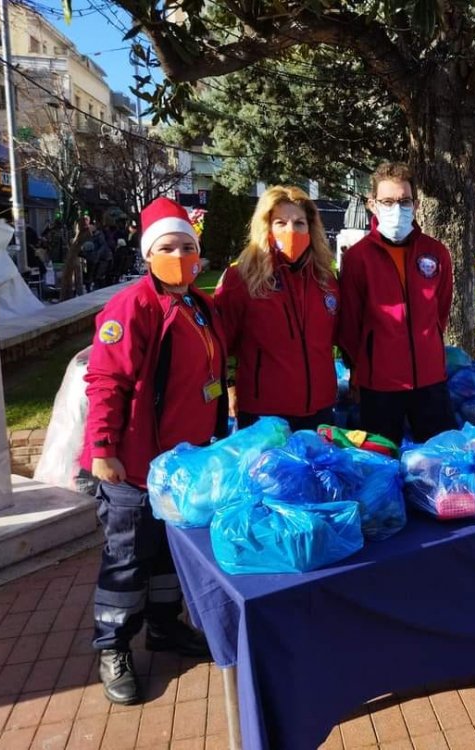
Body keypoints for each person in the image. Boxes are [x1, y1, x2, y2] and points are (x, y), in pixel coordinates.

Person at [82, 197, 227, 705]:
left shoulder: (197, 304)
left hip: (181, 465)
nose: (180, 255)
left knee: (167, 552)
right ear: (148, 254)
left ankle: (164, 626)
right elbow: (105, 380)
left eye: (188, 246)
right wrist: (103, 449)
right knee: (127, 557)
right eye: (168, 247)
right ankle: (113, 646)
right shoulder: (133, 306)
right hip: (135, 465)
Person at [337, 161, 456, 445]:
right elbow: (350, 323)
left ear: (415, 205)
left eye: (404, 201)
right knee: (380, 465)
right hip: (379, 385)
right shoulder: (357, 258)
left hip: (429, 381)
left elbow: (441, 310)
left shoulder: (436, 252)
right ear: (373, 205)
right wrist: (360, 369)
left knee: (440, 460)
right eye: (388, 201)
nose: (397, 209)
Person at [215, 185, 339, 431]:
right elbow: (220, 342)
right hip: (265, 413)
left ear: (311, 228)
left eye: (299, 223)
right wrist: (229, 387)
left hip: (320, 408)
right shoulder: (241, 278)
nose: (291, 230)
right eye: (280, 222)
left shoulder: (325, 279)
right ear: (267, 227)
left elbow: (336, 337)